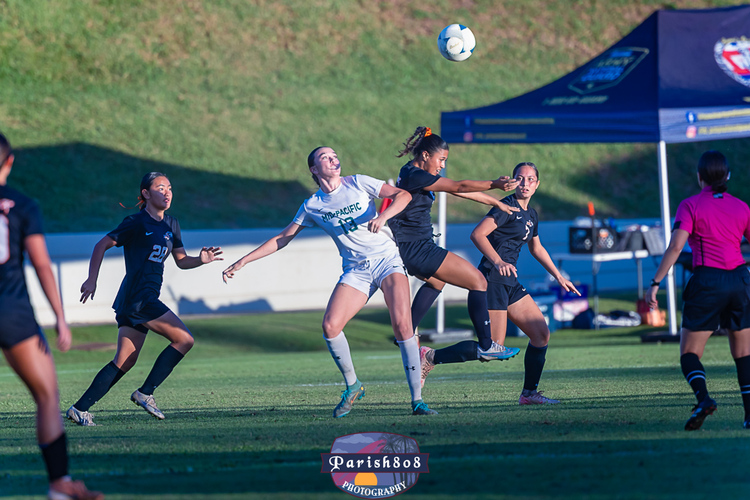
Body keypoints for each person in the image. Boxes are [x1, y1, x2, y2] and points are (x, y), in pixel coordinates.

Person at [222, 146, 437, 417]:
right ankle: (353, 385)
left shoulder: (357, 182)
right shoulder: (312, 205)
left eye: (334, 155)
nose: (333, 159)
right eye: (325, 157)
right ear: (314, 169)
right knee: (330, 326)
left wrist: (383, 216)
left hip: (386, 260)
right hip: (356, 270)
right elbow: (282, 238)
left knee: (403, 326)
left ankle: (417, 401)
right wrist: (243, 261)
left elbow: (403, 195)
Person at [66, 172, 223, 426]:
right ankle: (145, 393)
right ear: (146, 194)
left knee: (125, 360)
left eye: (169, 187)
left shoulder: (171, 224)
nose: (167, 192)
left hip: (138, 300)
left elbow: (182, 261)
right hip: (139, 299)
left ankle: (79, 409)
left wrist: (201, 260)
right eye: (160, 188)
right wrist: (91, 279)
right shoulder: (136, 222)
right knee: (184, 339)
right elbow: (101, 245)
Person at [421, 162, 580, 403]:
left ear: (537, 185)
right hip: (492, 280)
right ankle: (431, 357)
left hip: (510, 282)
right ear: (513, 181)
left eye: (530, 179)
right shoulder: (505, 207)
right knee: (492, 349)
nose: (525, 183)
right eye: (520, 178)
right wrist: (498, 261)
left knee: (541, 334)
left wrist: (558, 276)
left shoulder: (531, 214)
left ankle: (529, 394)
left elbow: (536, 248)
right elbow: (477, 234)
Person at [0, 133, 103, 499]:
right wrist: (61, 316)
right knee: (46, 395)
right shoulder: (24, 206)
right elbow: (42, 264)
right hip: (11, 311)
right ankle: (59, 483)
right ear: (9, 162)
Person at [387, 126, 521, 365]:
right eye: (441, 160)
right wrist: (493, 184)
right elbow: (459, 186)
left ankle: (405, 332)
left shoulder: (412, 173)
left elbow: (460, 191)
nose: (442, 165)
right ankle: (487, 345)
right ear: (425, 155)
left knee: (437, 282)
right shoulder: (415, 176)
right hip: (419, 249)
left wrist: (495, 202)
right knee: (478, 282)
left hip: (412, 249)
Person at [646, 150, 750, 431]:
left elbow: (676, 247)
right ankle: (749, 415)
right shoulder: (742, 207)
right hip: (739, 280)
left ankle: (704, 399)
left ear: (699, 177)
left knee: (690, 353)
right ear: (728, 175)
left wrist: (655, 283)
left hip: (707, 281)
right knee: (744, 353)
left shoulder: (690, 205)